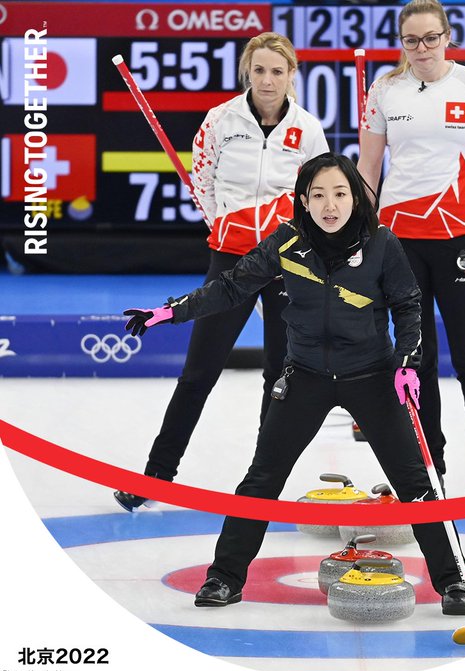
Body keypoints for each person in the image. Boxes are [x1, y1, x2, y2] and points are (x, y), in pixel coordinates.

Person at [123, 152, 465, 615]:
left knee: (415, 482)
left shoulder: (382, 242)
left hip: (371, 375)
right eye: (319, 195)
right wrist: (170, 311)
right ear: (303, 201)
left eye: (340, 193)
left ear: (356, 197)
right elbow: (231, 286)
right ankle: (224, 578)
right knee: (261, 478)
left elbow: (408, 306)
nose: (331, 205)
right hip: (305, 375)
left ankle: (454, 582)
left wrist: (407, 363)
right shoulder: (286, 241)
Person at [114, 33, 329, 511]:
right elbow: (203, 182)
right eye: (259, 70)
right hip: (231, 259)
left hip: (286, 264)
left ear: (291, 75)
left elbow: (316, 194)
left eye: (277, 71)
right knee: (199, 372)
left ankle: (262, 484)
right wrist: (228, 227)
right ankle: (156, 476)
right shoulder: (220, 120)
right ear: (247, 71)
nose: (268, 80)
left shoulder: (308, 129)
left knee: (280, 376)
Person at [356, 0, 465, 511]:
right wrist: (358, 235)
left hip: (459, 238)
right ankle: (430, 472)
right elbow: (368, 170)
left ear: (447, 36)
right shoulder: (384, 89)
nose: (422, 48)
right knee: (416, 360)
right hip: (398, 242)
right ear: (401, 43)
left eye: (431, 38)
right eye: (411, 40)